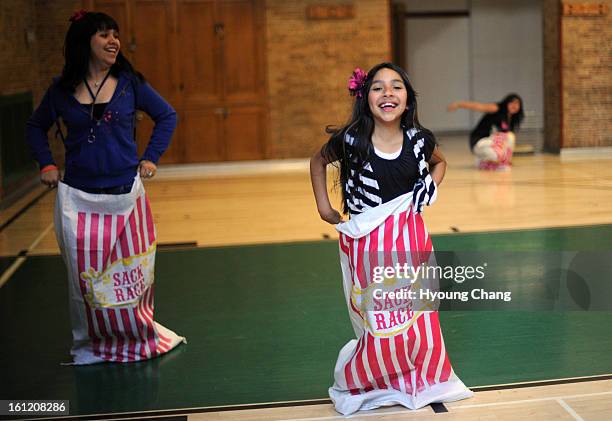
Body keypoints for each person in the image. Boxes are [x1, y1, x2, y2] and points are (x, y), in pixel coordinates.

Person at [310, 63, 472, 415]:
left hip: (412, 242)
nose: (387, 94)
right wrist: (324, 207)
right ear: (364, 98)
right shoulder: (352, 140)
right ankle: (373, 376)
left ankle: (423, 375)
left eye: (396, 87)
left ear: (408, 99)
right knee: (381, 315)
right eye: (378, 88)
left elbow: (440, 163)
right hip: (369, 245)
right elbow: (318, 161)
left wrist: (428, 185)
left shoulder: (419, 140)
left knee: (418, 313)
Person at [26, 10, 185, 364]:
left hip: (126, 196)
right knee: (85, 282)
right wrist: (47, 163)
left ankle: (136, 335)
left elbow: (167, 115)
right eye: (103, 35)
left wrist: (151, 157)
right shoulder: (61, 91)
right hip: (77, 199)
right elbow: (35, 127)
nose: (113, 40)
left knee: (133, 275)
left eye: (115, 34)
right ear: (85, 42)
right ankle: (93, 345)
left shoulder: (130, 83)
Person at [448, 94, 524, 170]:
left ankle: (495, 161)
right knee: (498, 153)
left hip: (491, 144)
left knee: (510, 136)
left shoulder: (511, 120)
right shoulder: (497, 108)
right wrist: (459, 104)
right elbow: (478, 106)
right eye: (512, 102)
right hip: (480, 142)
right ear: (506, 103)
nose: (514, 105)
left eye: (517, 103)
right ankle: (484, 160)